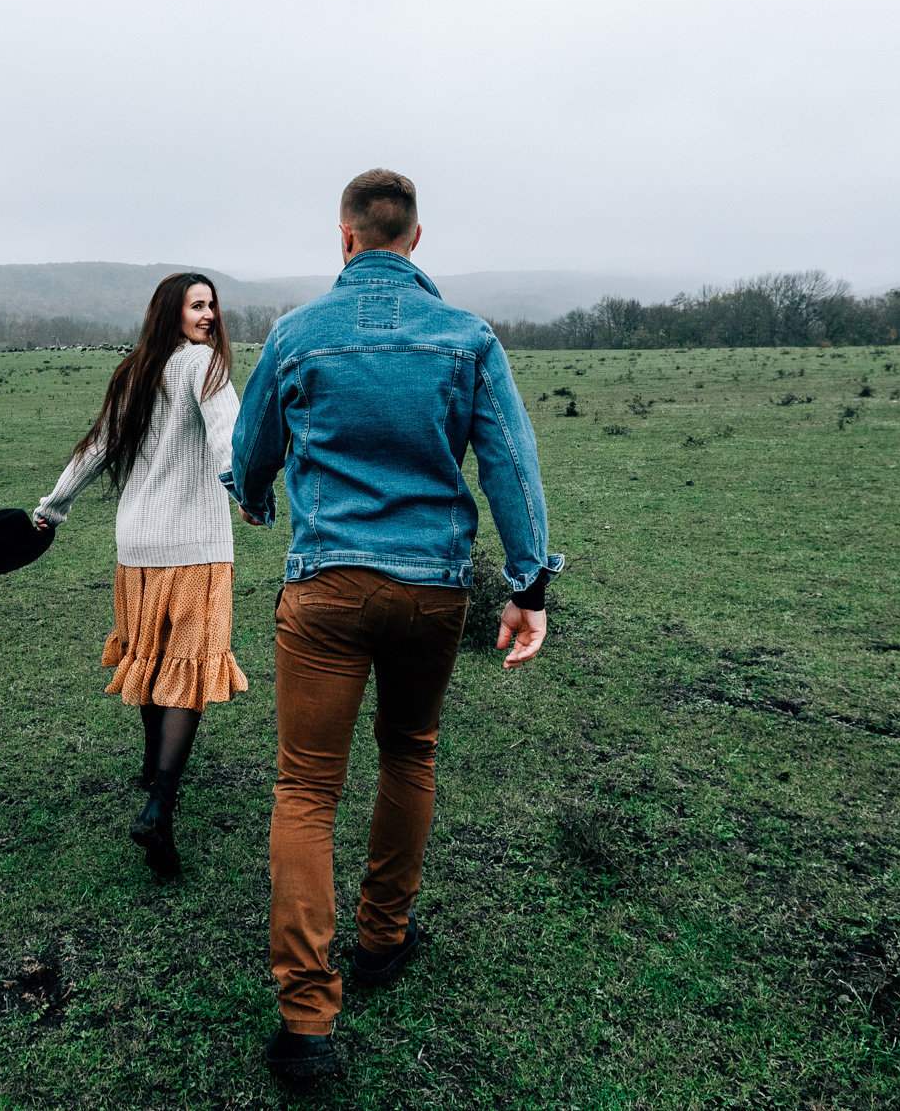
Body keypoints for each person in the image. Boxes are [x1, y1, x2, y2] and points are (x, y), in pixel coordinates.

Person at [225, 169, 561, 1081]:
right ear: (415, 239)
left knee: (306, 790)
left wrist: (254, 495)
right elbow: (511, 464)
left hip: (326, 588)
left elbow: (251, 452)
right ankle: (382, 937)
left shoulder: (296, 334)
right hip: (432, 590)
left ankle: (307, 1021)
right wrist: (528, 586)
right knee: (410, 752)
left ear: (346, 237)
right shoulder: (468, 337)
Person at [35, 271, 251, 879]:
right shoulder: (204, 365)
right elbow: (228, 436)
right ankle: (160, 804)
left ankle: (152, 767)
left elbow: (96, 447)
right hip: (195, 546)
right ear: (170, 312)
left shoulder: (134, 370)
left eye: (212, 305)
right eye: (196, 305)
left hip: (136, 545)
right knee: (189, 667)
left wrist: (51, 508)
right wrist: (245, 490)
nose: (208, 316)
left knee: (152, 658)